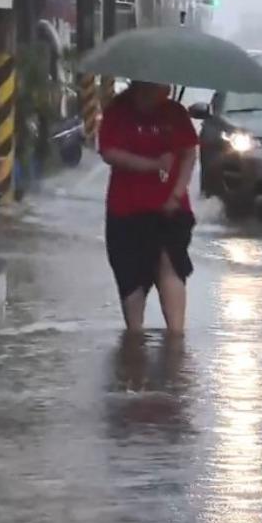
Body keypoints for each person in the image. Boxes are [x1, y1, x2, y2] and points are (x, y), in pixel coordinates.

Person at [97, 81, 199, 334]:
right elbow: (109, 152)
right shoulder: (118, 112)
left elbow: (189, 153)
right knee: (130, 273)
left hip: (170, 207)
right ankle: (134, 334)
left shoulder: (175, 113)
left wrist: (176, 193)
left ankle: (176, 334)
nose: (161, 93)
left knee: (170, 263)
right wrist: (152, 165)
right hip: (127, 207)